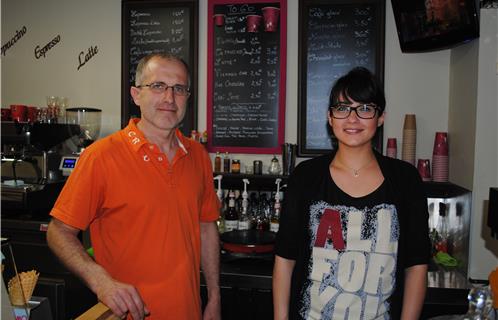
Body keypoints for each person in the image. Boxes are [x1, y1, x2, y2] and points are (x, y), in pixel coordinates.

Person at [47, 53, 221, 320]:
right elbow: (58, 232)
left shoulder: (198, 156)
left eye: (179, 89)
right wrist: (101, 281)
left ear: (188, 96)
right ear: (136, 94)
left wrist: (214, 296)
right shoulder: (101, 156)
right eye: (158, 86)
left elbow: (206, 227)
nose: (169, 98)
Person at [273, 67, 430, 319]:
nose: (353, 119)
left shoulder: (405, 180)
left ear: (380, 118)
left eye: (365, 109)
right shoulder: (306, 177)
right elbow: (284, 260)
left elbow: (416, 265)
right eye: (342, 108)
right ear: (330, 117)